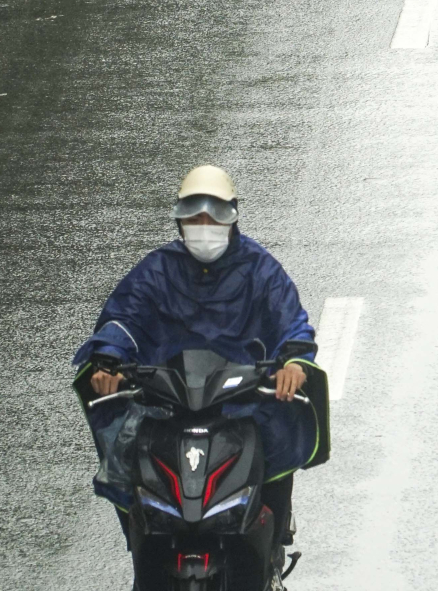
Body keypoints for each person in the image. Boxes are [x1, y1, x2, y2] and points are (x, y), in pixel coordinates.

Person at [73, 166, 319, 572]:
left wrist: (294, 362)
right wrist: (108, 360)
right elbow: (123, 319)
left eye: (214, 216)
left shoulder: (260, 269)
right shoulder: (156, 269)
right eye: (194, 217)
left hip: (240, 402)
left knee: (278, 439)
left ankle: (271, 544)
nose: (204, 226)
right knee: (123, 457)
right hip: (167, 402)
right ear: (180, 220)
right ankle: (142, 548)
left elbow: (290, 322)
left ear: (232, 216)